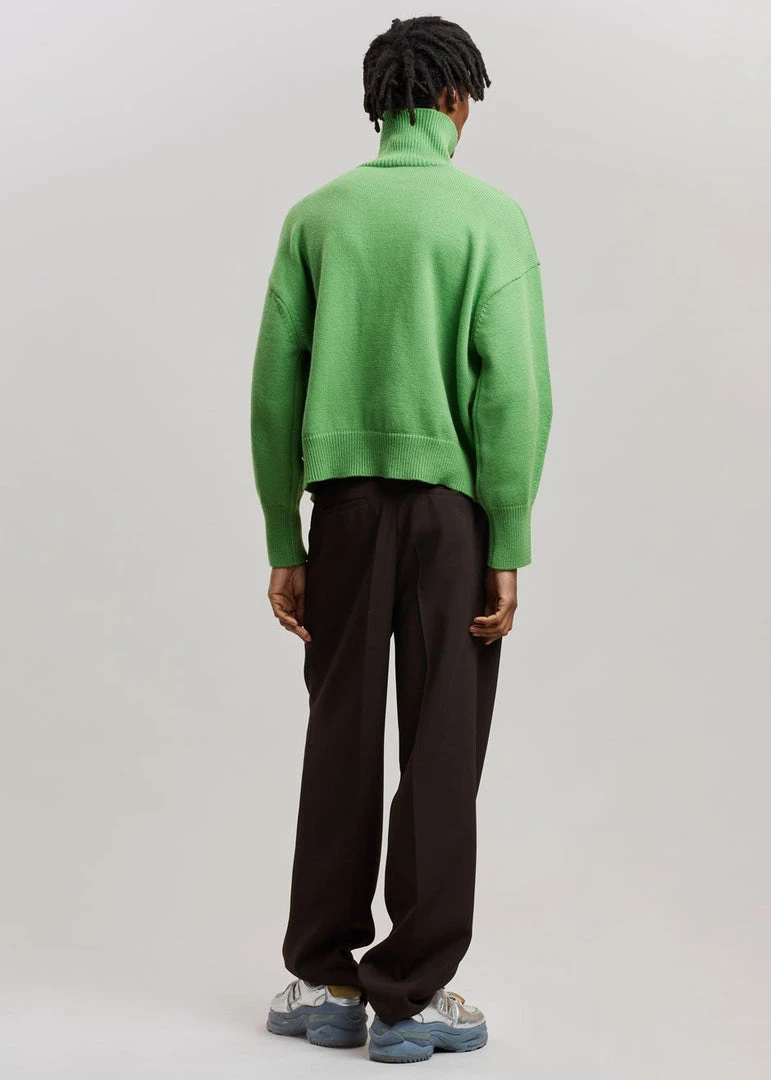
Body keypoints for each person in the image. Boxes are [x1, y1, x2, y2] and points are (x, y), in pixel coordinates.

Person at [251, 14, 552, 1065]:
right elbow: (514, 393)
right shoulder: (489, 217)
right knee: (441, 743)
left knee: (339, 732)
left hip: (338, 513)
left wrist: (281, 535)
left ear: (381, 102)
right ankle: (412, 998)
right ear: (455, 99)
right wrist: (507, 538)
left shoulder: (317, 216)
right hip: (450, 518)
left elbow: (273, 389)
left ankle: (325, 979)